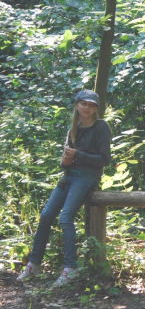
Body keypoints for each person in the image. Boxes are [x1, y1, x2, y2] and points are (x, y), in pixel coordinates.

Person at [16, 89, 111, 287]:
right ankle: (34, 264)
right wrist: (66, 160)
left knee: (65, 218)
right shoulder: (73, 129)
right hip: (69, 177)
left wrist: (77, 155)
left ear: (96, 109)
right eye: (83, 104)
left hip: (87, 177)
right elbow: (65, 164)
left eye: (91, 105)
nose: (87, 108)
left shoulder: (101, 127)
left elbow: (104, 159)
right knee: (45, 216)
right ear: (77, 105)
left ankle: (70, 268)